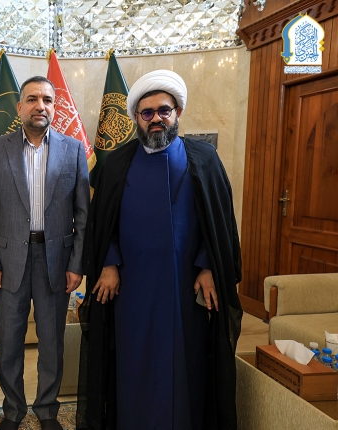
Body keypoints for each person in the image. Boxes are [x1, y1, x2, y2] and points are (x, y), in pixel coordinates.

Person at [77, 69, 243, 430]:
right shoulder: (117, 163)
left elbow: (220, 223)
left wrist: (209, 266)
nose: (156, 119)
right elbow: (102, 222)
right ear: (137, 117)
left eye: (163, 110)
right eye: (147, 112)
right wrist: (108, 263)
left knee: (186, 363)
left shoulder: (204, 159)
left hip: (186, 289)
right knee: (134, 363)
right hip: (133, 290)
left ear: (177, 112)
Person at [0, 76, 90, 430]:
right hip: (9, 262)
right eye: (32, 99)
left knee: (52, 344)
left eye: (47, 100)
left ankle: (47, 411)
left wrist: (77, 265)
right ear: (20, 107)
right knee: (9, 344)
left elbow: (83, 215)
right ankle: (13, 411)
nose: (40, 106)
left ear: (55, 106)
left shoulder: (74, 150)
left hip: (56, 262)